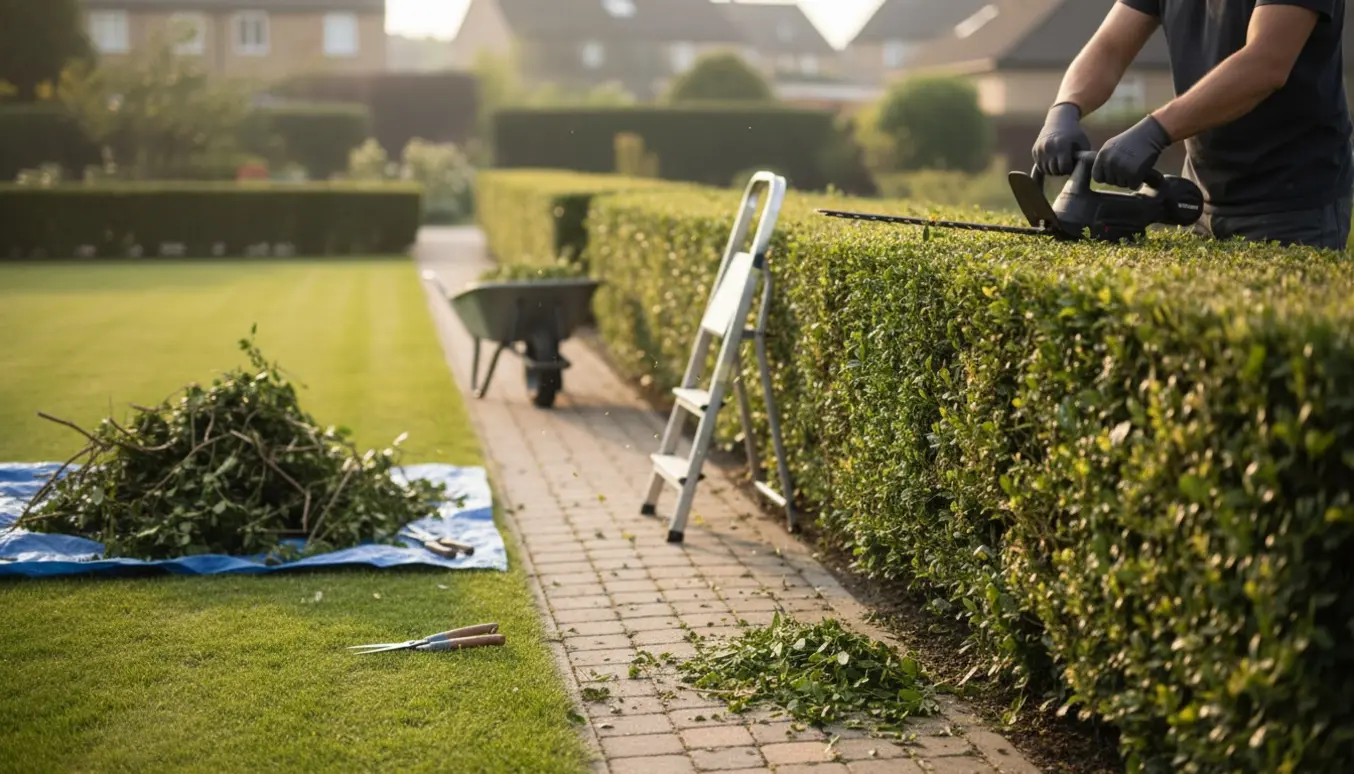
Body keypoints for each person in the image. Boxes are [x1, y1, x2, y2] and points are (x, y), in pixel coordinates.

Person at [1033, 0, 1354, 250]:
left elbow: (1266, 63)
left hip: (1293, 207)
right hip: (1198, 200)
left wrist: (1154, 130)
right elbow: (1109, 46)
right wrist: (1064, 109)